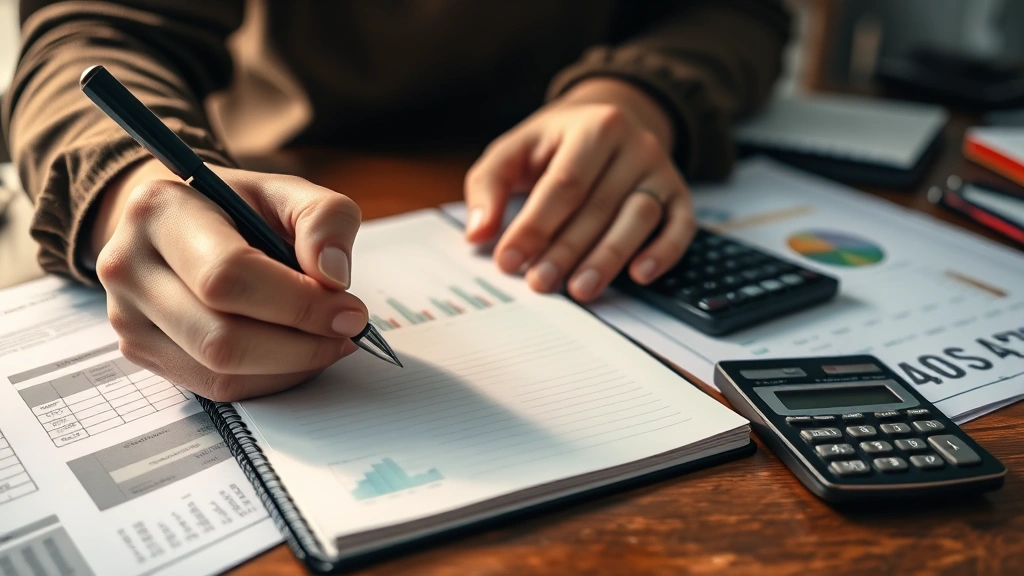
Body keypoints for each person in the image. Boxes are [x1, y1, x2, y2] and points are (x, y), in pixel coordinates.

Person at [2, 1, 790, 401]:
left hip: (560, 164)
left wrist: (640, 90)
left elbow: (738, 12)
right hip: (272, 170)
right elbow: (90, 32)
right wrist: (132, 186)